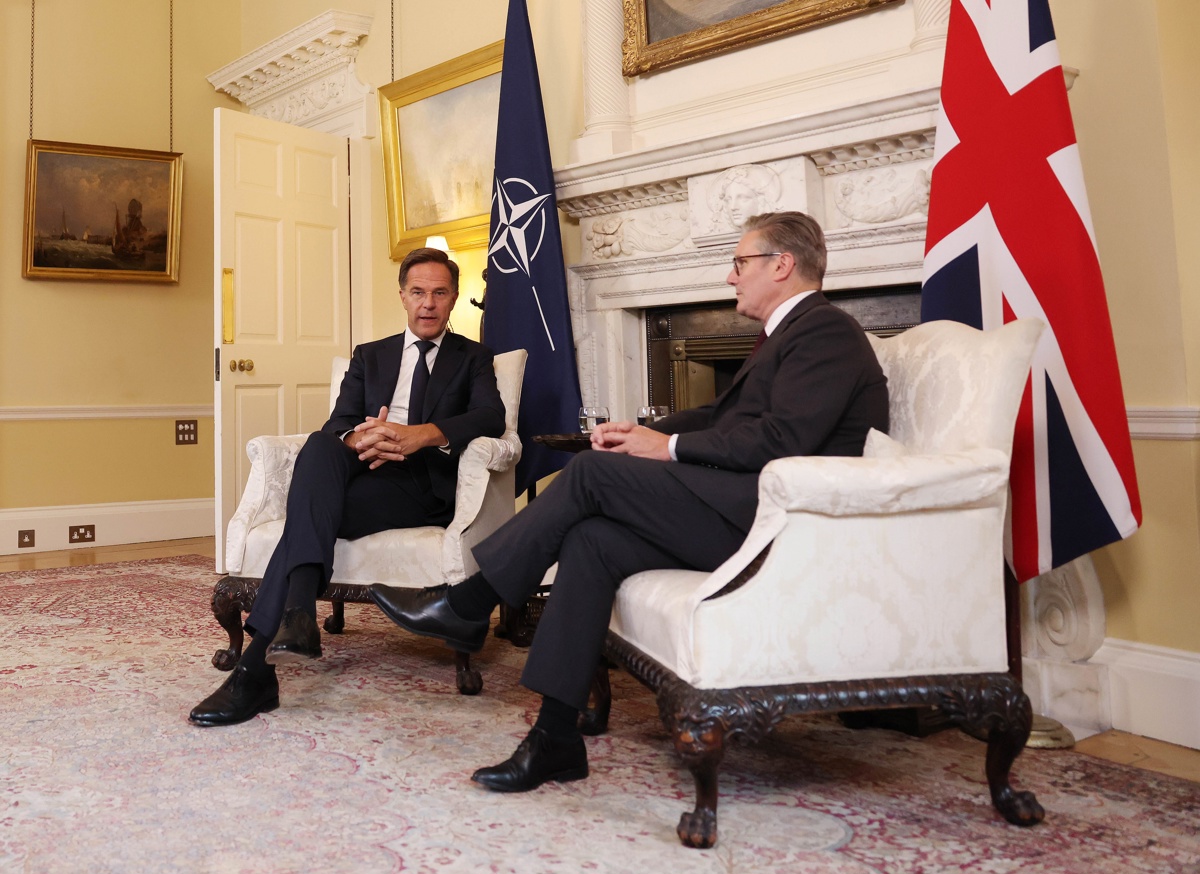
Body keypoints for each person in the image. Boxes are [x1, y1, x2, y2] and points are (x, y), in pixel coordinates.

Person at [369, 211, 888, 791]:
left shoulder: (825, 332)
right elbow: (724, 416)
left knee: (591, 474)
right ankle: (555, 739)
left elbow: (782, 441)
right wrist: (640, 429)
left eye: (741, 263)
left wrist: (663, 446)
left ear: (782, 265)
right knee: (593, 541)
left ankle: (467, 603)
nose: (730, 277)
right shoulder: (787, 335)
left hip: (778, 529)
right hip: (743, 509)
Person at [190, 247, 507, 727]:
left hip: (420, 486)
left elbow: (490, 416)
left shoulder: (474, 358)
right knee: (321, 444)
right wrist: (364, 438)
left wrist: (417, 436)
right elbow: (339, 422)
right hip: (363, 470)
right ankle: (292, 625)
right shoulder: (371, 355)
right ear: (402, 296)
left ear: (453, 298)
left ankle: (261, 664)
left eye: (439, 293)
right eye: (418, 292)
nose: (427, 304)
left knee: (307, 516)